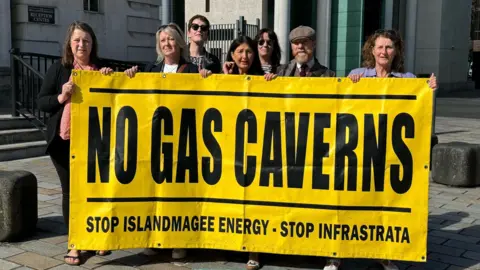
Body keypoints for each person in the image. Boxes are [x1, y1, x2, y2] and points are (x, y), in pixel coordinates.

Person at [341, 29, 437, 270]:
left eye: (389, 47)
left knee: (385, 206)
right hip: (360, 152)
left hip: (390, 156)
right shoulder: (357, 75)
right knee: (352, 202)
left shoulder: (407, 79)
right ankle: (338, 254)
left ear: (396, 52)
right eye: (380, 47)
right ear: (371, 50)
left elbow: (419, 113)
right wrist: (348, 86)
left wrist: (429, 90)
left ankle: (384, 254)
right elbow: (342, 109)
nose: (384, 51)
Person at [37, 21, 113, 266]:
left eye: (86, 40)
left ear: (93, 45)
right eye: (77, 40)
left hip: (94, 142)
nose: (82, 44)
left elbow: (116, 100)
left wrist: (109, 81)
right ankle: (75, 242)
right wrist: (61, 96)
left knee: (94, 190)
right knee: (71, 192)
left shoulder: (100, 69)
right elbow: (41, 102)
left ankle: (94, 237)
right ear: (70, 44)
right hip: (63, 141)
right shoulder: (59, 68)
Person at [124, 23, 198, 77]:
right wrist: (131, 75)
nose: (166, 44)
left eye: (171, 39)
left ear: (179, 42)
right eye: (162, 40)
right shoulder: (150, 68)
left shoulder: (193, 70)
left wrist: (206, 76)